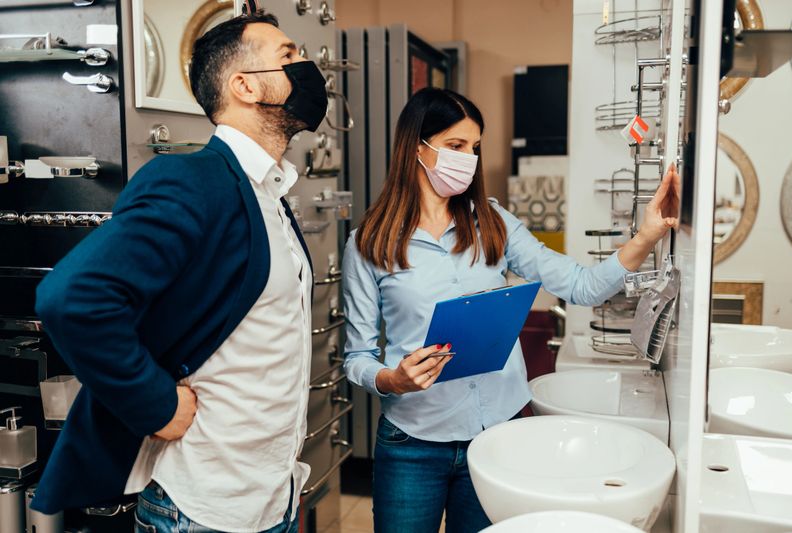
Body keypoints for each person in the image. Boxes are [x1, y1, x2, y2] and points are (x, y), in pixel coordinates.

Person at [31, 12, 329, 533]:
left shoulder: (269, 192)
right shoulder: (192, 180)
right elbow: (71, 297)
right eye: (288, 55)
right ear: (245, 87)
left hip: (271, 497)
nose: (305, 66)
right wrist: (156, 403)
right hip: (202, 509)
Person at [342, 87, 679, 533]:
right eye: (455, 146)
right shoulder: (368, 243)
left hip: (500, 436)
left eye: (475, 147)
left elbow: (580, 285)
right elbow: (357, 356)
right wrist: (391, 379)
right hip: (412, 443)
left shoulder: (494, 223)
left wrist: (648, 236)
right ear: (416, 149)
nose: (468, 159)